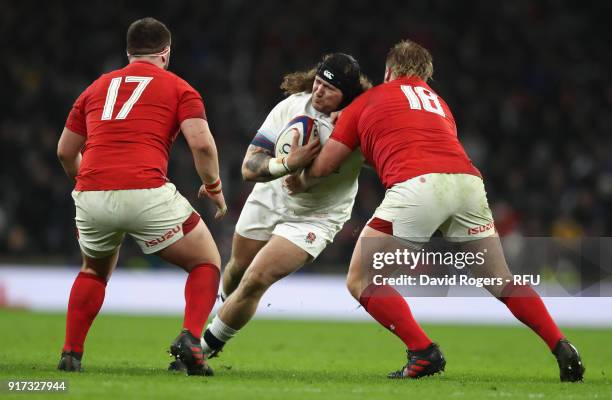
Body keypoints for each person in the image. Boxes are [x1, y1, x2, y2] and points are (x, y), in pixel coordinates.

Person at [289, 40, 585, 382]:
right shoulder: (439, 104)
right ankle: (561, 345)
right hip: (467, 183)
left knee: (362, 279)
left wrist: (300, 179)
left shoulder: (370, 100)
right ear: (426, 75)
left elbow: (325, 167)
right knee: (501, 281)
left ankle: (423, 351)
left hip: (419, 186)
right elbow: (413, 145)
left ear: (388, 72)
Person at [56, 17, 226, 376]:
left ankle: (71, 353)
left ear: (128, 53)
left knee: (94, 271)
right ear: (166, 52)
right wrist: (213, 188)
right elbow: (201, 144)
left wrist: (88, 180)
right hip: (146, 191)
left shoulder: (94, 88)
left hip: (91, 193)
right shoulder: (180, 88)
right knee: (206, 261)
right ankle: (191, 339)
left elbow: (65, 152)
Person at [196, 53, 371, 360]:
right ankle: (225, 308)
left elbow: (389, 152)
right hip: (271, 198)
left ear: (348, 95)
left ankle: (204, 348)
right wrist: (289, 163)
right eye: (318, 82)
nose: (318, 91)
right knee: (238, 268)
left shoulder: (362, 123)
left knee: (256, 279)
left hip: (316, 216)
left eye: (329, 89)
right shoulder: (292, 106)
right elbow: (249, 168)